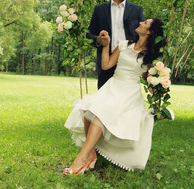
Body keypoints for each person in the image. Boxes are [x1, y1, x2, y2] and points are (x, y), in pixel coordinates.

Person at [63, 18, 166, 174]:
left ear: (150, 31)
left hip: (129, 93)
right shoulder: (124, 45)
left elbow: (151, 83)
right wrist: (106, 45)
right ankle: (90, 154)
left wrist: (160, 89)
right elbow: (106, 65)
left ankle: (81, 159)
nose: (140, 22)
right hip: (113, 86)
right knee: (86, 108)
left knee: (100, 115)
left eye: (145, 23)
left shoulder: (150, 56)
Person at [87, 0, 145, 89]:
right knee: (103, 100)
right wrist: (98, 39)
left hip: (128, 63)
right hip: (105, 62)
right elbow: (89, 35)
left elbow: (143, 36)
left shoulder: (137, 10)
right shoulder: (99, 9)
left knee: (125, 101)